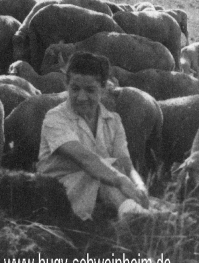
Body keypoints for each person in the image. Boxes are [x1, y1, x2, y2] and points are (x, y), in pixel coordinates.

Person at [37, 51, 149, 221]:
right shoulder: (54, 118)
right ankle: (135, 218)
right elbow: (85, 160)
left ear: (103, 89)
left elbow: (125, 163)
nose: (81, 97)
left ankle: (134, 214)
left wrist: (139, 185)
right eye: (75, 89)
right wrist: (121, 181)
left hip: (102, 193)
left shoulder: (113, 120)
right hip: (58, 193)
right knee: (101, 173)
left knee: (110, 172)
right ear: (66, 85)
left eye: (90, 90)